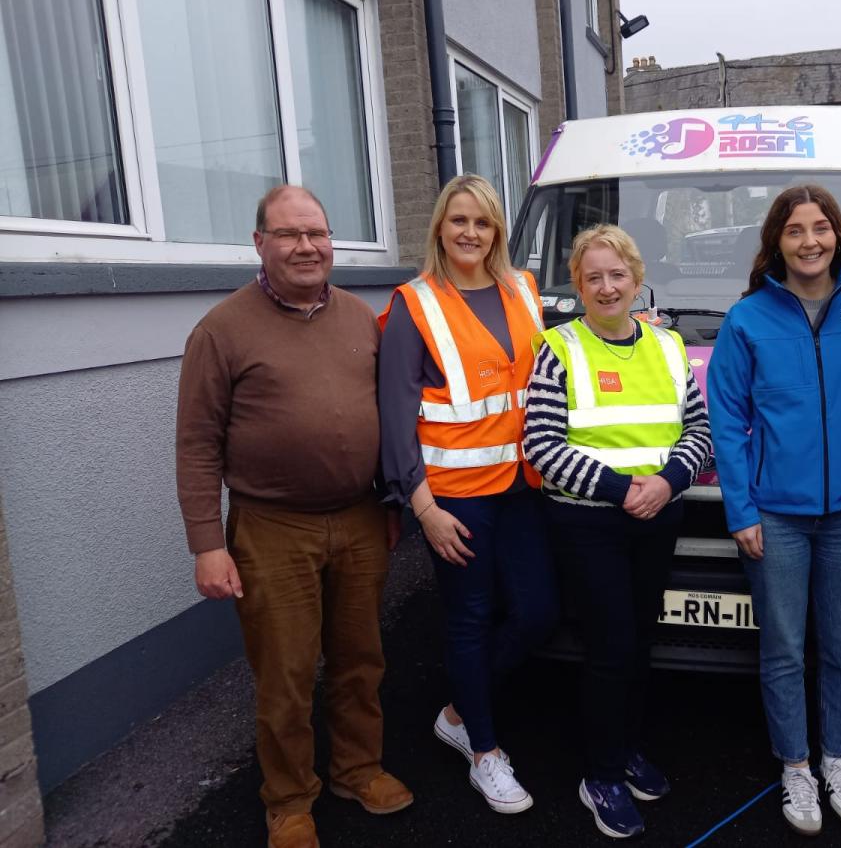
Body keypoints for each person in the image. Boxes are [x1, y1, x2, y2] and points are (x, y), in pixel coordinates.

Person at [176, 185, 412, 848]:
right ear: (260, 243)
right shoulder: (221, 331)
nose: (306, 247)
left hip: (360, 518)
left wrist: (390, 501)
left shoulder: (361, 319)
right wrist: (206, 544)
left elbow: (389, 416)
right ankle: (287, 799)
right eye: (288, 234)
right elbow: (197, 444)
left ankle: (357, 770)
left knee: (361, 659)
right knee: (285, 673)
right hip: (272, 528)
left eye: (317, 233)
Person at [706, 184, 841, 837]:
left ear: (837, 235)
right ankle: (796, 766)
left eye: (819, 227)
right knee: (785, 649)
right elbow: (727, 419)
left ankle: (837, 760)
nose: (809, 241)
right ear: (777, 241)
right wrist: (741, 509)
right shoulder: (748, 319)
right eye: (795, 230)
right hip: (776, 516)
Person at [523, 224, 712, 839]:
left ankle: (627, 749)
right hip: (589, 524)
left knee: (640, 643)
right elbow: (541, 443)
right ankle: (600, 775)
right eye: (593, 277)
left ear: (637, 279)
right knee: (609, 648)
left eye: (617, 275)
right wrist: (621, 488)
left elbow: (700, 431)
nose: (607, 287)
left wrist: (668, 481)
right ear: (578, 287)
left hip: (657, 516)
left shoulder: (669, 346)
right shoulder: (559, 348)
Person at [377, 174, 556, 815]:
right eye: (459, 220)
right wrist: (422, 509)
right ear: (439, 228)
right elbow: (394, 415)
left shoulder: (523, 289)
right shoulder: (414, 304)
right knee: (470, 619)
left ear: (498, 231)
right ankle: (484, 751)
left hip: (522, 486)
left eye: (482, 222)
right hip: (454, 498)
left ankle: (457, 709)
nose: (470, 233)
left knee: (538, 613)